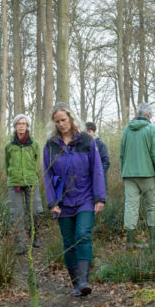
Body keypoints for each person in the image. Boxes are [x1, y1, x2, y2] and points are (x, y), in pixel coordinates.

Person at [44, 102, 106, 297]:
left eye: (64, 120)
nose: (61, 124)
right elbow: (48, 175)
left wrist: (99, 198)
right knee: (69, 241)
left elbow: (97, 170)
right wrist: (53, 202)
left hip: (86, 197)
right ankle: (75, 283)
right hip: (63, 202)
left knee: (82, 235)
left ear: (71, 118)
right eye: (57, 121)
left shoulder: (87, 141)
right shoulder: (51, 145)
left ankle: (84, 280)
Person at [119, 102, 155, 248]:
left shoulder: (127, 129)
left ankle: (130, 243)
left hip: (129, 176)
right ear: (148, 115)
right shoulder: (152, 129)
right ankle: (154, 242)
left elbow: (121, 154)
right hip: (148, 175)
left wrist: (124, 173)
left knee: (130, 207)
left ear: (138, 114)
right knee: (152, 206)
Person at [5, 113, 44, 255]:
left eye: (23, 123)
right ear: (15, 126)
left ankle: (35, 235)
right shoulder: (9, 145)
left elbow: (36, 161)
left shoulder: (34, 145)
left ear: (27, 126)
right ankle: (20, 243)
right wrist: (12, 177)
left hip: (31, 181)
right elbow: (6, 163)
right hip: (14, 183)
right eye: (18, 124)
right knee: (17, 214)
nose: (21, 126)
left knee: (36, 211)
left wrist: (31, 176)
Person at [85, 121, 110, 187]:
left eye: (89, 131)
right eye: (86, 132)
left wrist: (99, 174)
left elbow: (106, 162)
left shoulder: (100, 145)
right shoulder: (81, 146)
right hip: (86, 181)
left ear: (94, 132)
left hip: (98, 179)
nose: (87, 134)